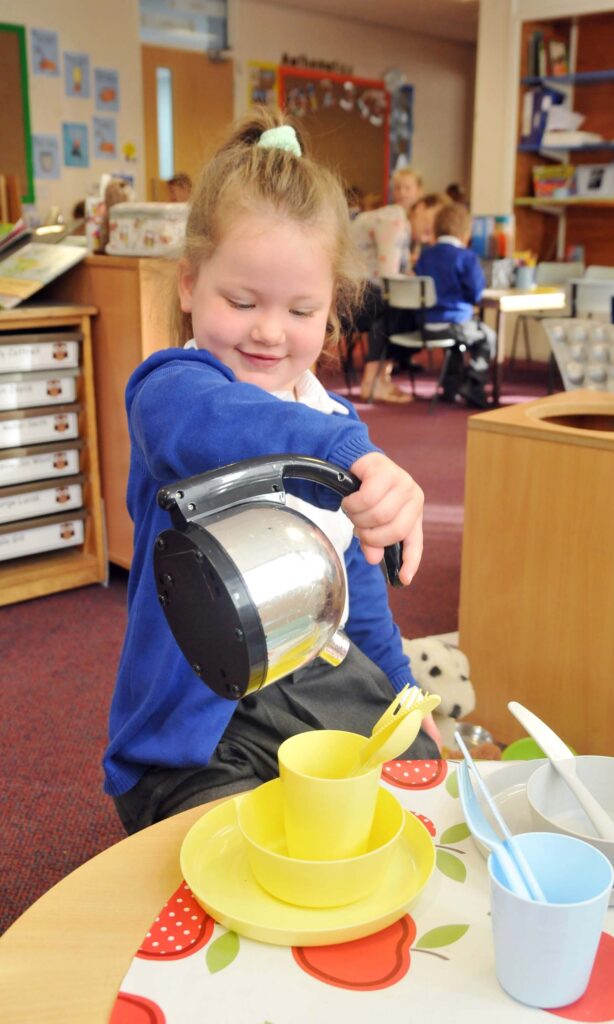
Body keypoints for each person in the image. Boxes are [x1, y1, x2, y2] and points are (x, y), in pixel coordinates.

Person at [103, 109, 440, 834]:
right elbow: (226, 423)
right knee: (241, 844)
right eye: (241, 301)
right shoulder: (170, 391)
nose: (267, 331)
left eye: (301, 310)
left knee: (414, 772)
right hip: (193, 733)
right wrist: (346, 453)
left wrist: (403, 696)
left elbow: (359, 593)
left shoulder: (331, 417)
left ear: (331, 312)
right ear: (189, 285)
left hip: (304, 679)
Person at [349, 168, 424, 403]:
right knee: (389, 307)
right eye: (397, 187)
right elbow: (388, 274)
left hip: (361, 288)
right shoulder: (394, 218)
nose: (401, 192)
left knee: (395, 307)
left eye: (407, 187)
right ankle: (371, 382)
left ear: (419, 192)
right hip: (350, 293)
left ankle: (382, 378)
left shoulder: (402, 220)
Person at [414, 201, 496, 408]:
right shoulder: (466, 257)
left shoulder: (426, 255)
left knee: (456, 343)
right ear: (465, 232)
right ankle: (474, 383)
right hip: (455, 323)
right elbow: (476, 293)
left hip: (427, 323)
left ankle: (450, 387)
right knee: (487, 337)